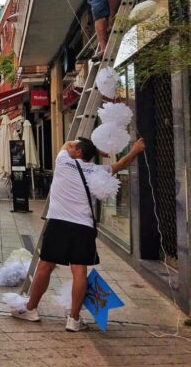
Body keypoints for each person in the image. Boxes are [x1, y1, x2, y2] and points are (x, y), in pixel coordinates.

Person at [12, 136, 145, 331]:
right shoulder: (98, 171)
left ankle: (31, 309)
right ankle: (73, 319)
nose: (71, 148)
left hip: (58, 222)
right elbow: (120, 164)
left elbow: (67, 143)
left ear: (79, 152)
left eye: (76, 148)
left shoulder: (63, 161)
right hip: (83, 226)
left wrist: (94, 148)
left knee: (45, 265)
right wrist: (136, 150)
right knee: (79, 270)